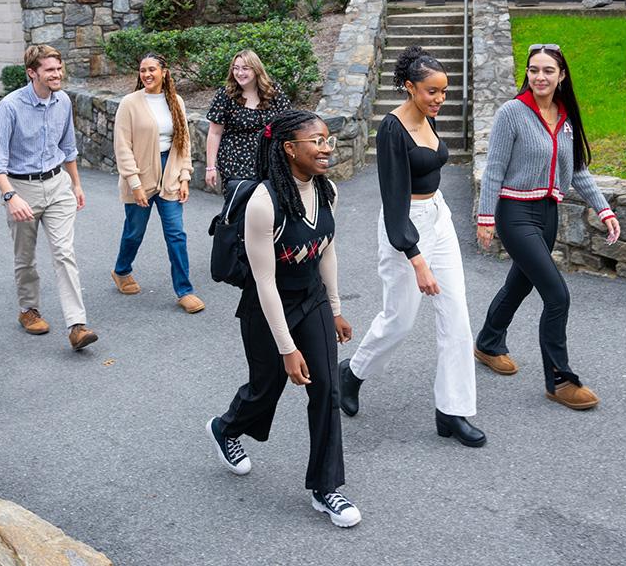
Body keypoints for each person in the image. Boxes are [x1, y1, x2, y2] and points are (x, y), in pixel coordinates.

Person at [205, 110, 361, 528]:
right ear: (290, 149)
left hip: (310, 299)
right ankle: (225, 428)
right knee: (265, 389)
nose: (327, 147)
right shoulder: (263, 202)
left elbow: (326, 248)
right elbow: (264, 282)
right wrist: (288, 349)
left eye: (328, 139)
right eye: (317, 140)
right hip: (267, 305)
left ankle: (326, 488)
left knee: (326, 389)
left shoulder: (327, 191)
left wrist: (336, 308)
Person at [338, 46, 487, 448]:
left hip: (437, 218)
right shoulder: (392, 129)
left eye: (444, 92)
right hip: (404, 227)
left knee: (456, 316)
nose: (440, 99)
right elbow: (393, 201)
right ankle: (351, 374)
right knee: (400, 320)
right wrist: (417, 258)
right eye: (431, 92)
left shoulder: (429, 118)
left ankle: (453, 411)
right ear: (409, 87)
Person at [475, 43, 621, 410]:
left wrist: (604, 210)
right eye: (534, 70)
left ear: (561, 76)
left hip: (548, 213)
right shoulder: (513, 112)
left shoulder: (566, 118)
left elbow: (577, 172)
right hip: (515, 213)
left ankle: (489, 342)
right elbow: (493, 168)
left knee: (519, 283)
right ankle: (560, 380)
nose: (540, 77)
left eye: (548, 71)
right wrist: (486, 217)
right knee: (557, 295)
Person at [0, 44, 98, 351]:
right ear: (32, 73)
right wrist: (10, 196)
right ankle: (28, 309)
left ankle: (77, 325)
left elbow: (68, 147)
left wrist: (75, 184)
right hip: (21, 189)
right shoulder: (10, 106)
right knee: (26, 258)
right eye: (50, 70)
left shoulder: (62, 101)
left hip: (58, 184)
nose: (57, 74)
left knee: (64, 253)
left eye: (58, 69)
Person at [111, 52, 204, 313]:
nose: (147, 74)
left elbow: (183, 142)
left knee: (176, 234)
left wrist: (184, 176)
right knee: (135, 231)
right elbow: (122, 146)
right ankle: (121, 270)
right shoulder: (130, 103)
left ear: (164, 72)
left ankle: (184, 290)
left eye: (152, 69)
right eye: (143, 70)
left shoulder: (176, 101)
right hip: (140, 174)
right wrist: (135, 183)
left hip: (170, 173)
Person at [204, 49, 292, 190]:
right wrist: (210, 167)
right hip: (235, 160)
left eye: (245, 68)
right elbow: (214, 133)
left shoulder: (273, 92)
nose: (240, 73)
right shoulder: (225, 95)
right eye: (236, 68)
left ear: (256, 69)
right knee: (241, 203)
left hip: (268, 158)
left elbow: (288, 124)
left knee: (268, 204)